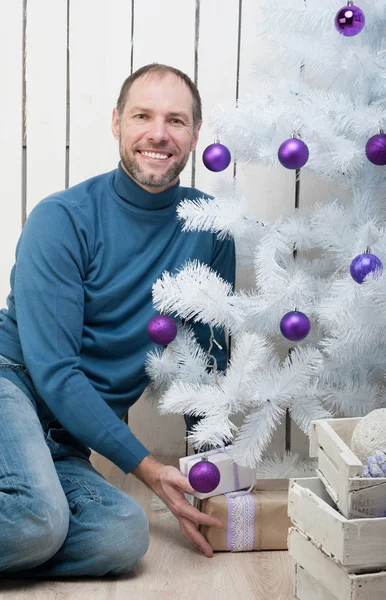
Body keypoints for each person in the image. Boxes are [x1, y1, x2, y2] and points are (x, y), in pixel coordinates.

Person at [0, 63, 235, 578]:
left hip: (63, 439)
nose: (158, 133)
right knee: (37, 521)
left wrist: (217, 479)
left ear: (196, 134)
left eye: (176, 120)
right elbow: (55, 371)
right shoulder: (62, 219)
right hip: (10, 383)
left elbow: (206, 366)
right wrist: (149, 469)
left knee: (122, 536)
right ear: (116, 124)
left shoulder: (209, 228)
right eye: (142, 116)